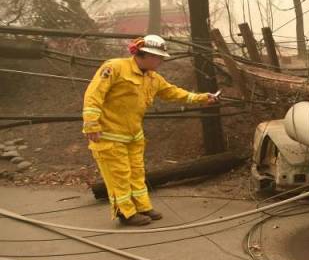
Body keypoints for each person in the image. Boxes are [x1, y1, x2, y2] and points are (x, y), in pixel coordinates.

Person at [82, 34, 219, 226]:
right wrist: (91, 124)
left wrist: (202, 98)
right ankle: (126, 212)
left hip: (133, 136)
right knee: (119, 175)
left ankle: (142, 206)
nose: (161, 61)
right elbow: (94, 95)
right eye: (159, 57)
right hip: (109, 136)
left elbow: (173, 92)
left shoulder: (152, 78)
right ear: (145, 55)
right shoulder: (114, 68)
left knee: (137, 173)